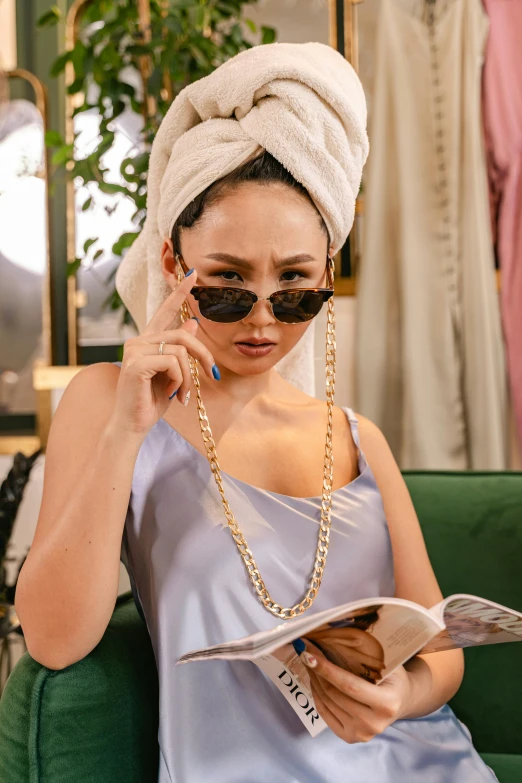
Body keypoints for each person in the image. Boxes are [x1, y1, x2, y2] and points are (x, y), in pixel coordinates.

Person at [15, 42, 498, 782]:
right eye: (228, 284)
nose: (263, 320)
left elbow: (440, 653)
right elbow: (51, 640)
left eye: (297, 286)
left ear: (326, 272)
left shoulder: (356, 437)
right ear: (175, 265)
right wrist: (126, 433)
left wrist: (401, 694)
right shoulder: (109, 403)